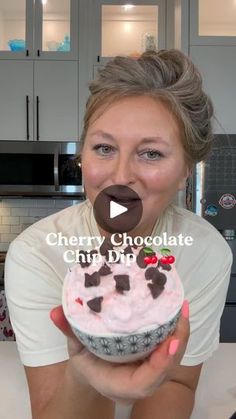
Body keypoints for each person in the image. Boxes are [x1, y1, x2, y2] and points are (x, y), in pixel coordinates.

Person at [5, 49, 232, 419]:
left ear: (186, 169)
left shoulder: (205, 252)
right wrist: (84, 374)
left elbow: (178, 383)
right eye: (104, 148)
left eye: (152, 154)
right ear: (83, 155)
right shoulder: (37, 254)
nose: (121, 175)